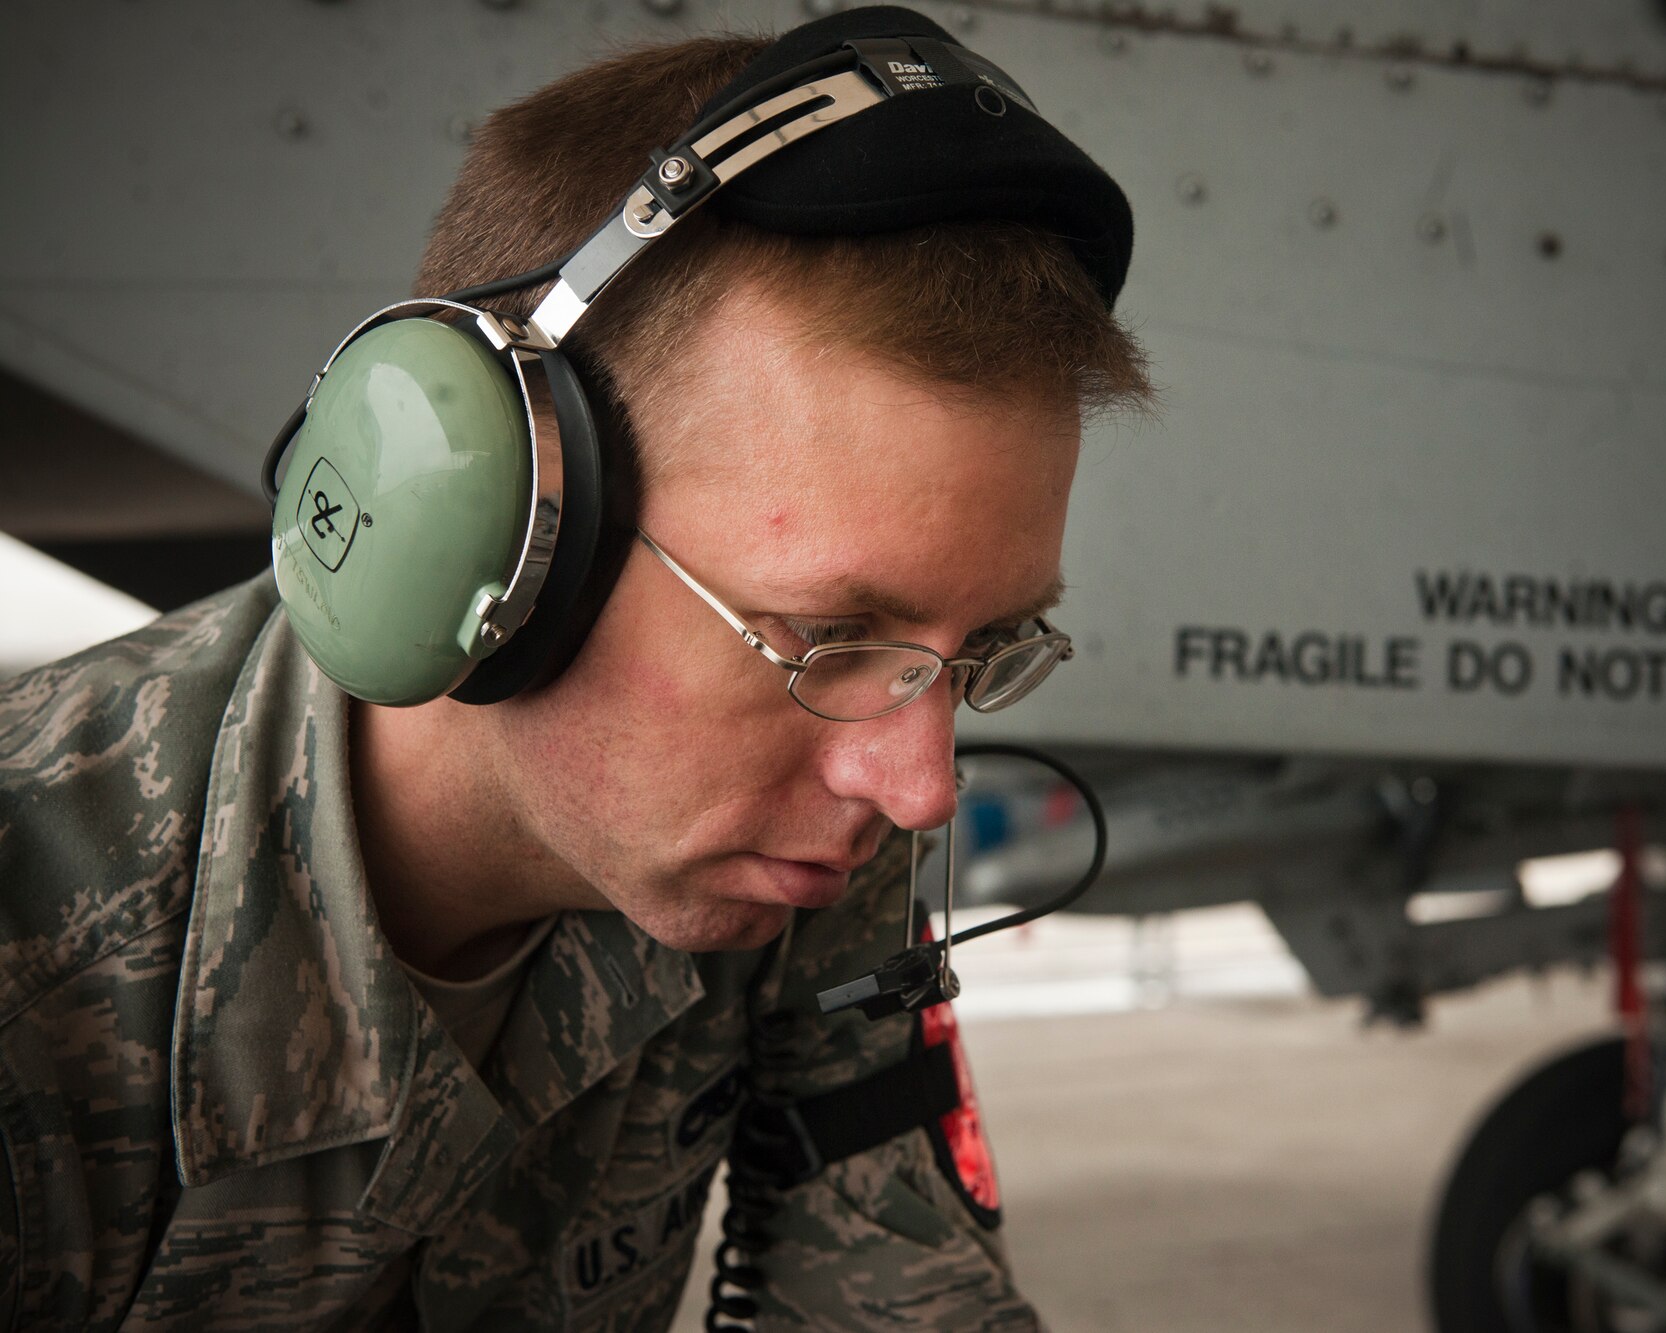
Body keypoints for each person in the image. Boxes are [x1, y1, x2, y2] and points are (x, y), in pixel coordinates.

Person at [0, 8, 1150, 1329]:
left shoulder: (809, 838)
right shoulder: (37, 961)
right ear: (493, 536)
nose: (919, 784)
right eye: (828, 638)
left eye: (986, 648)